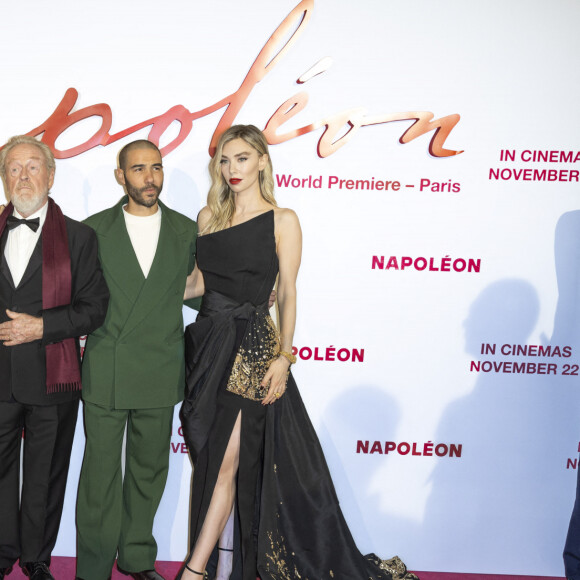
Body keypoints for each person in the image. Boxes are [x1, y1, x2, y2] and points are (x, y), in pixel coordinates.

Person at [178, 125, 418, 580]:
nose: (232, 169)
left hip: (252, 348)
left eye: (243, 158)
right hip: (208, 348)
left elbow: (287, 290)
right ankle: (219, 565)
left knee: (228, 461)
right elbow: (197, 283)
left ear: (263, 161)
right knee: (213, 460)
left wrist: (284, 356)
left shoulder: (282, 220)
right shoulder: (208, 217)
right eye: (225, 160)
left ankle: (194, 571)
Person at [75, 140, 200, 580]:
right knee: (99, 477)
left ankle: (137, 559)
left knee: (149, 473)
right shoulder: (92, 230)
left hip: (161, 367)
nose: (150, 177)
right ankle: (92, 568)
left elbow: (200, 295)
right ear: (120, 176)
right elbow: (78, 300)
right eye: (139, 168)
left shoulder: (187, 231)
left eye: (157, 168)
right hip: (108, 367)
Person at [0, 135, 109, 580]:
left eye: (32, 167)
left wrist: (40, 326)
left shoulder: (81, 237)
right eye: (13, 168)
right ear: (4, 178)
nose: (23, 176)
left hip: (53, 377)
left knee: (45, 474)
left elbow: (94, 308)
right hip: (0, 378)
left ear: (50, 174)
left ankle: (36, 557)